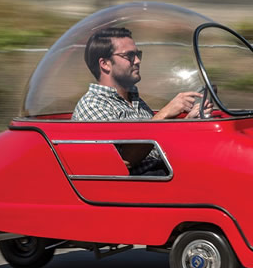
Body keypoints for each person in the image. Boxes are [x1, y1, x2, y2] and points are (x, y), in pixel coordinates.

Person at [72, 27, 211, 175]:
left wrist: (187, 122)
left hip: (165, 175)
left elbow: (157, 148)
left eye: (138, 54)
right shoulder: (93, 105)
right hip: (140, 189)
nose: (137, 61)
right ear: (105, 64)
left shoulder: (135, 101)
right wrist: (164, 114)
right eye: (129, 55)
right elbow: (121, 162)